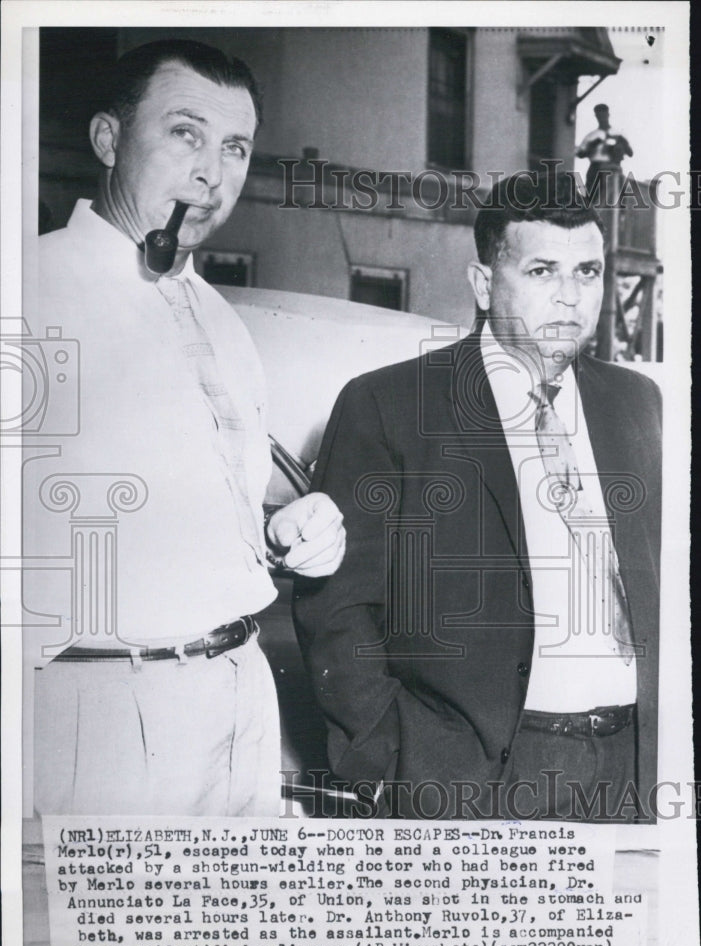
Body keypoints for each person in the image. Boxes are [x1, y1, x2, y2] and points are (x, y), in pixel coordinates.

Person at [27, 39, 345, 816]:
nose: (213, 172)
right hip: (99, 708)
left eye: (235, 146)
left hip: (237, 696)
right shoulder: (27, 293)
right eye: (184, 133)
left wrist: (283, 531)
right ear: (108, 140)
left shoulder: (216, 314)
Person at [293, 173, 661, 822]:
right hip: (470, 778)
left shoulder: (633, 402)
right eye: (542, 270)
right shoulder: (390, 405)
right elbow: (337, 610)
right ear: (484, 284)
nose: (571, 297)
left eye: (587, 271)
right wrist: (394, 765)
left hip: (630, 771)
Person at [576, 103, 633, 194]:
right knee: (592, 197)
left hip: (614, 168)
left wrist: (622, 142)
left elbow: (630, 153)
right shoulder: (591, 136)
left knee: (616, 197)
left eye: (604, 115)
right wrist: (593, 144)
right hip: (596, 169)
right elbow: (580, 154)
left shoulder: (618, 134)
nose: (602, 118)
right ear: (596, 116)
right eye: (599, 116)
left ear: (608, 114)